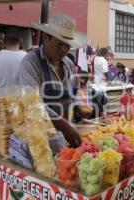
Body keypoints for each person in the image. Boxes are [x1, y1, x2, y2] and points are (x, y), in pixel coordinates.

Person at [17, 13, 87, 147]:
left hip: (66, 142)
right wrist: (63, 125)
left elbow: (75, 91)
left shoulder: (68, 64)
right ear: (46, 38)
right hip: (40, 143)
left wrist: (78, 106)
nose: (64, 50)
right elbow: (33, 103)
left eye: (67, 46)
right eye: (60, 44)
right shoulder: (30, 63)